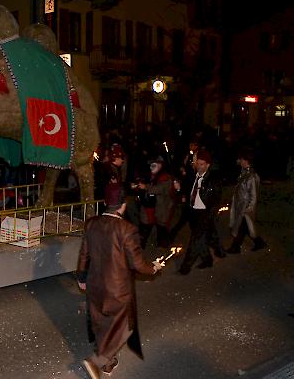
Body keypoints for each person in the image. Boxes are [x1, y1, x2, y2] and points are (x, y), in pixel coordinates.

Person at [77, 183, 162, 379]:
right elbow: (138, 265)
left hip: (95, 283)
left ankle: (108, 364)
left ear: (106, 202)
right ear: (123, 205)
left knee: (101, 322)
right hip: (117, 288)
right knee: (123, 327)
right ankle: (95, 361)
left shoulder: (91, 223)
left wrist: (81, 277)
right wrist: (154, 268)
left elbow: (84, 254)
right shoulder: (127, 229)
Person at [178, 150, 224, 275]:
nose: (199, 167)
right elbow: (188, 189)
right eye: (197, 164)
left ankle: (185, 267)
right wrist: (179, 189)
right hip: (193, 212)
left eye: (202, 164)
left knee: (194, 240)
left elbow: (215, 201)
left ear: (208, 165)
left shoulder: (213, 180)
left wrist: (210, 217)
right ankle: (207, 259)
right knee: (200, 239)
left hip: (205, 214)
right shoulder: (194, 175)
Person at [226, 148, 267, 253]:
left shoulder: (252, 176)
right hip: (241, 206)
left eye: (241, 159)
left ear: (246, 160)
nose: (239, 161)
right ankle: (259, 243)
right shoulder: (244, 173)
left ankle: (235, 247)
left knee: (241, 227)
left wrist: (249, 209)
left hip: (245, 208)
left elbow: (254, 195)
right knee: (245, 228)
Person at [135, 156, 175, 248]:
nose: (151, 167)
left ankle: (162, 247)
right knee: (146, 226)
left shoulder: (166, 178)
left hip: (162, 209)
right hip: (149, 207)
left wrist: (146, 187)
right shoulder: (150, 175)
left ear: (160, 166)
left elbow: (159, 189)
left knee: (161, 229)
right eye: (150, 165)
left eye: (154, 165)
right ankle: (142, 243)